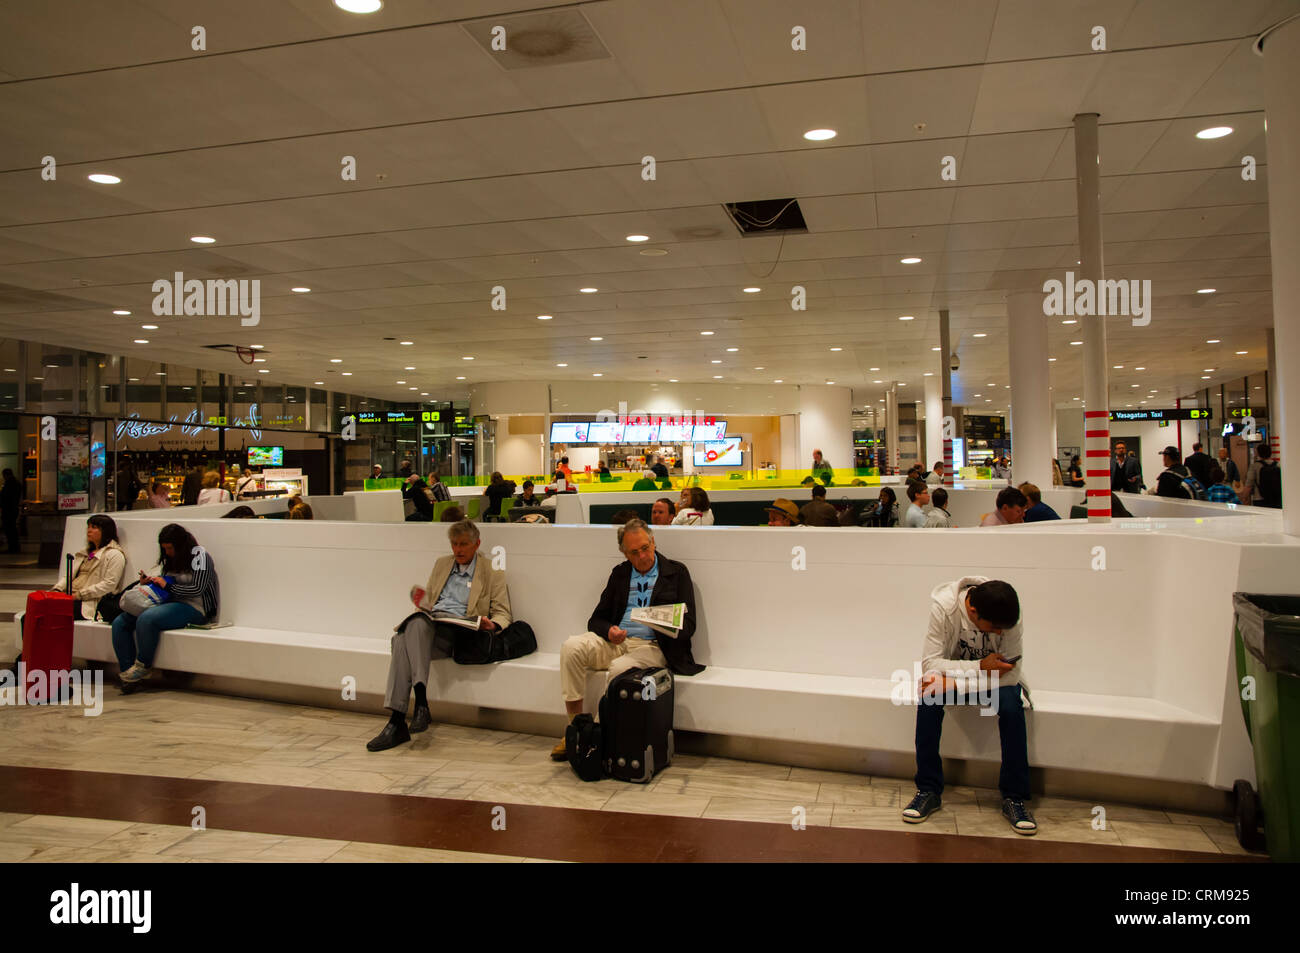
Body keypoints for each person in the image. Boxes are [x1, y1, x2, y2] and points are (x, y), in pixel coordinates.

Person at [551, 519, 703, 760]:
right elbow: (595, 621)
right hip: (618, 642)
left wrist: (663, 623)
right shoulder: (620, 574)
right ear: (625, 553)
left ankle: (596, 736)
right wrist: (610, 630)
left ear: (653, 542)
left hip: (653, 646)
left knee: (619, 669)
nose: (642, 555)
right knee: (571, 648)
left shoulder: (676, 573)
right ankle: (575, 727)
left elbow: (689, 626)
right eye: (634, 552)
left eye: (645, 548)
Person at [902, 577, 1035, 835]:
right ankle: (928, 790)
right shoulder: (944, 607)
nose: (999, 634)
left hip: (987, 683)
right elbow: (931, 664)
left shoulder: (1008, 615)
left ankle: (1014, 798)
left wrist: (956, 686)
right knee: (929, 694)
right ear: (973, 611)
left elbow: (1010, 676)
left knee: (1011, 706)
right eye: (994, 628)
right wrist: (979, 667)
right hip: (971, 677)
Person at [367, 520, 512, 752]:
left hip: (459, 635)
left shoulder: (491, 571)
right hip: (432, 627)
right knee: (412, 626)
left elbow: (503, 613)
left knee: (400, 640)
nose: (458, 549)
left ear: (477, 544)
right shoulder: (441, 564)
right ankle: (418, 707)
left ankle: (399, 721)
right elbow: (428, 603)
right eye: (454, 544)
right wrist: (424, 607)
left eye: (464, 544)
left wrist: (491, 625)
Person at [112, 523, 219, 690]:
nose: (167, 552)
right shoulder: (170, 558)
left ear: (180, 545)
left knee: (147, 619)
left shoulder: (200, 556)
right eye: (165, 549)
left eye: (170, 548)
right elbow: (166, 581)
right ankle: (128, 674)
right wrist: (149, 582)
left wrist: (167, 586)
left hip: (195, 608)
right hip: (168, 603)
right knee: (120, 622)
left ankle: (143, 667)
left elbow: (198, 588)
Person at [50, 514, 127, 621]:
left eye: (94, 527)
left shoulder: (114, 555)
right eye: (88, 527)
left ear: (105, 531)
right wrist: (57, 590)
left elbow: (109, 584)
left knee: (47, 613)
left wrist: (79, 595)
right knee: (35, 609)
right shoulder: (85, 552)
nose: (89, 531)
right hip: (69, 596)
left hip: (87, 603)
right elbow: (68, 576)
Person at [1243, 443, 1282, 508]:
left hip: (1259, 499)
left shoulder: (1254, 466)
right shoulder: (1278, 465)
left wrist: (1245, 497)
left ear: (1258, 453)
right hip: (1276, 499)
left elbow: (1249, 484)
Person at [1, 468, 24, 553]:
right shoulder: (17, 483)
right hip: (13, 509)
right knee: (12, 529)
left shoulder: (9, 484)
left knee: (9, 529)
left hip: (8, 510)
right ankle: (14, 547)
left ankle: (13, 547)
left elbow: (4, 497)